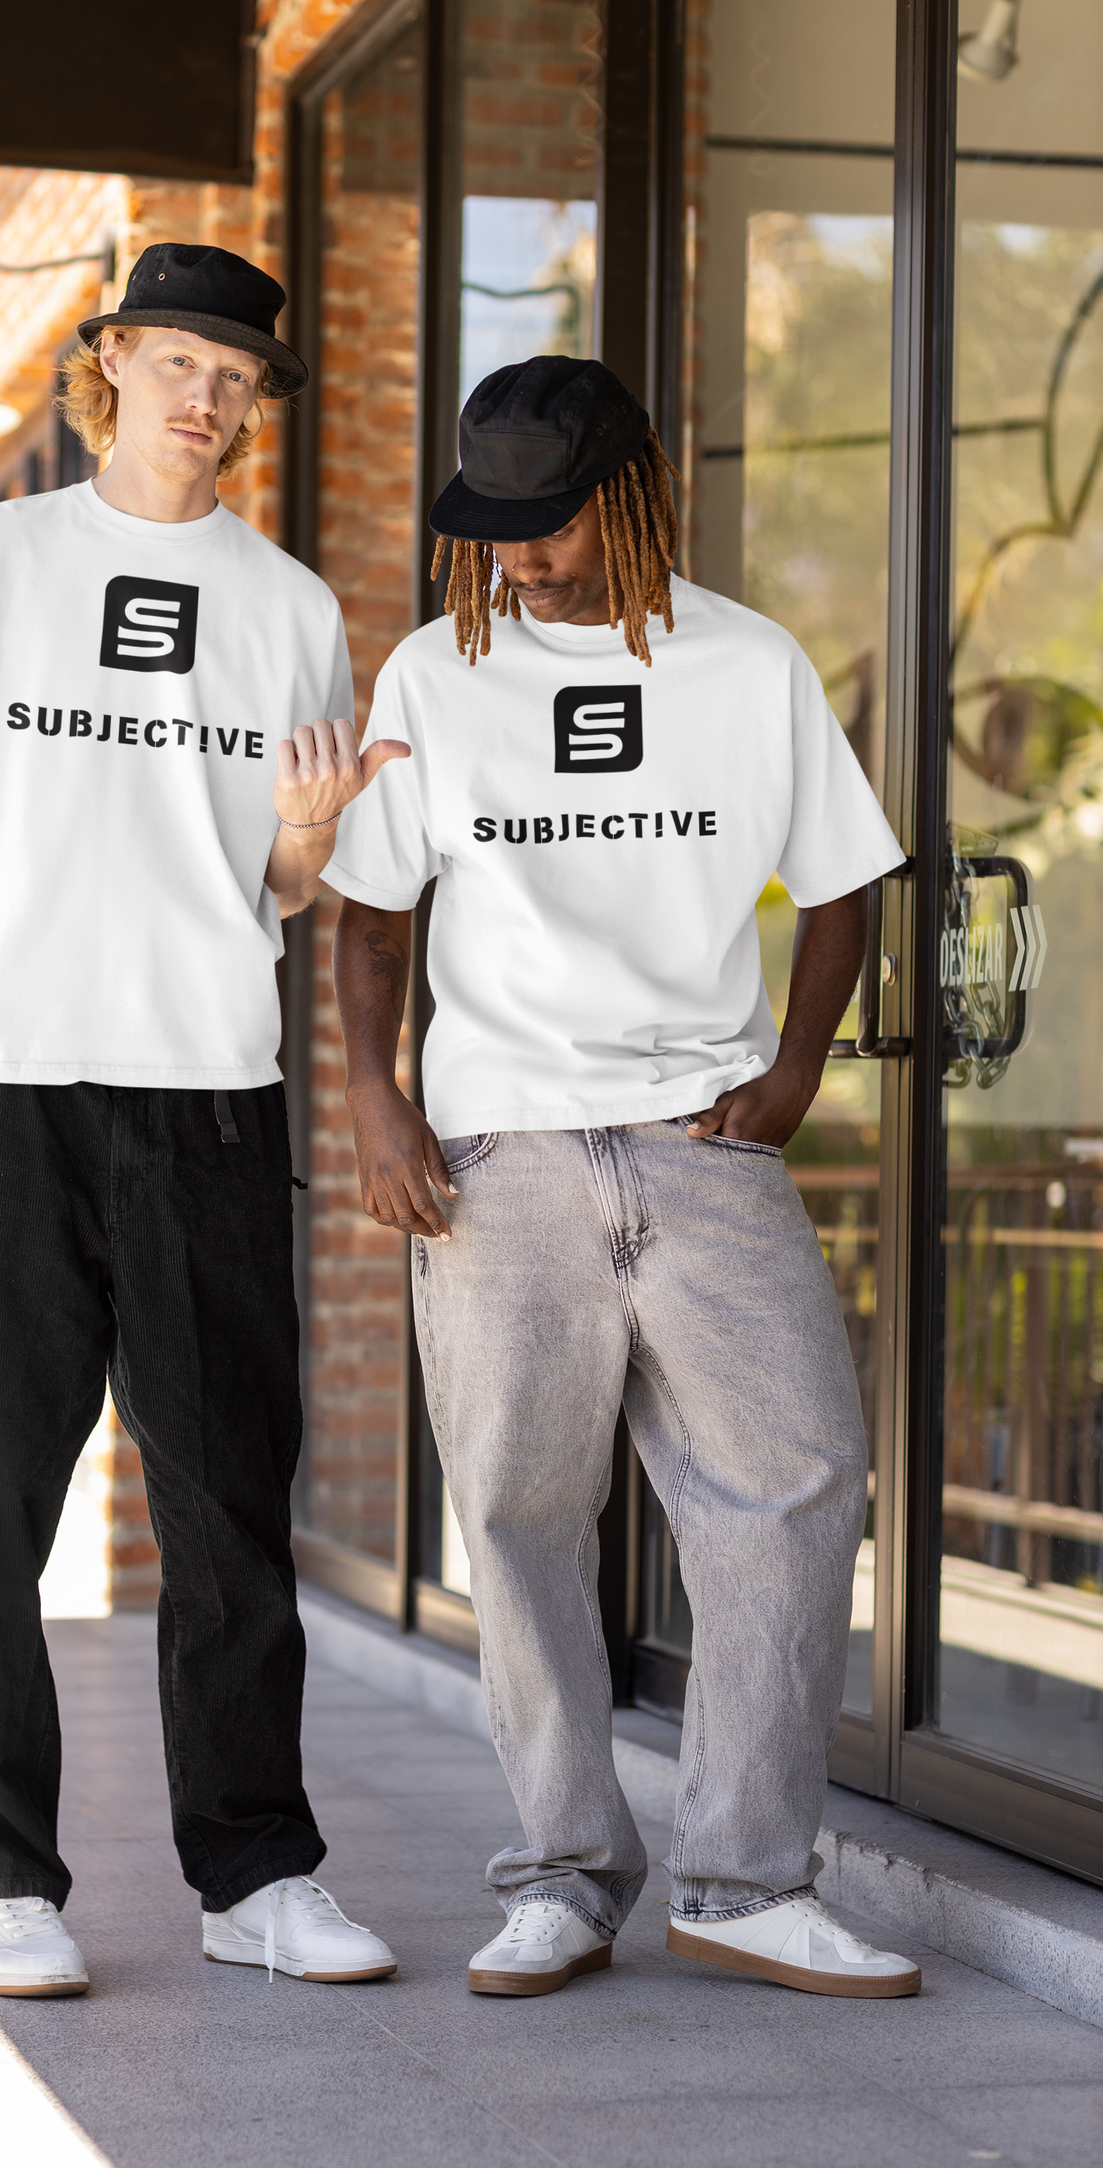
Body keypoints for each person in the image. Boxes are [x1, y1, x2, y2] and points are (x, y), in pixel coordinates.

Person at [0, 243, 404, 1997]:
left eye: (236, 377)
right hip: (6, 1089)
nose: (206, 398)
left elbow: (283, 885)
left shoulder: (291, 609)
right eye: (178, 361)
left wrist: (307, 844)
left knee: (232, 1503)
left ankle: (255, 1873)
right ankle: (0, 1874)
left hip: (210, 1097)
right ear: (114, 365)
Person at [327, 355, 922, 2002]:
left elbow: (851, 878)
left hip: (703, 1146)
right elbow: (376, 914)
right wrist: (375, 1105)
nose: (517, 554)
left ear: (634, 493)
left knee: (797, 1486)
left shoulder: (751, 664)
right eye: (492, 525)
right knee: (517, 1517)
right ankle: (566, 1877)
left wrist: (796, 1065)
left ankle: (741, 1878)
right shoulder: (435, 676)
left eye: (547, 518)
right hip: (498, 1147)